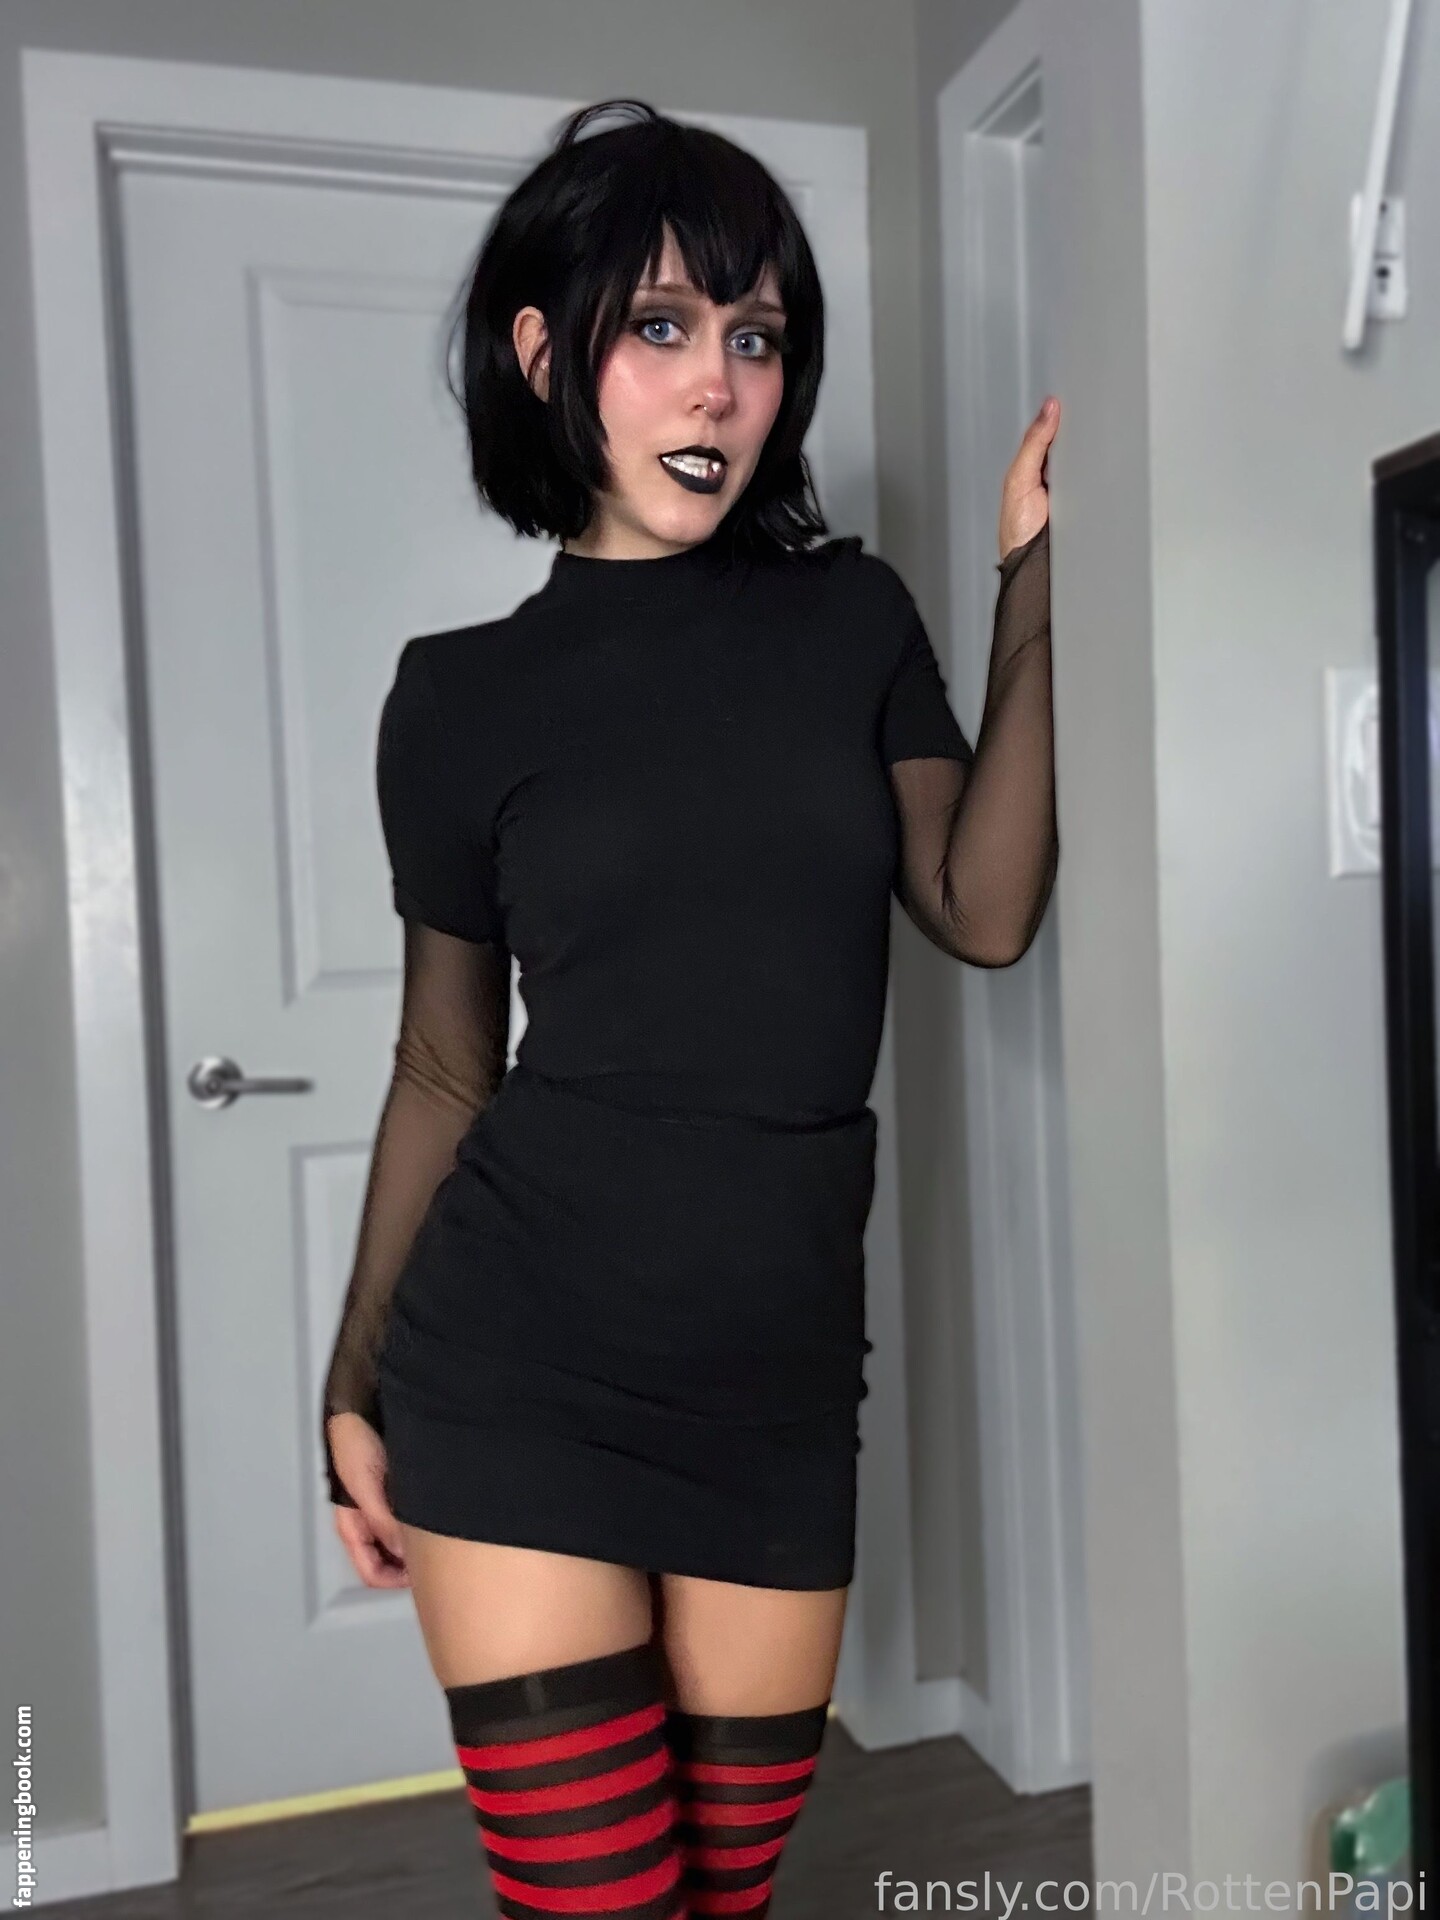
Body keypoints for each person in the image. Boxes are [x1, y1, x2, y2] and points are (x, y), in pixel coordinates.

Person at [320, 96, 1058, 1919]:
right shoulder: (455, 697)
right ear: (541, 353)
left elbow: (982, 910)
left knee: (725, 1900)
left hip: (777, 1387)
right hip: (515, 1372)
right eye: (660, 326)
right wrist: (351, 1383)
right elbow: (442, 1065)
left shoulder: (850, 620)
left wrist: (1034, 573)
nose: (718, 383)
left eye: (757, 336)